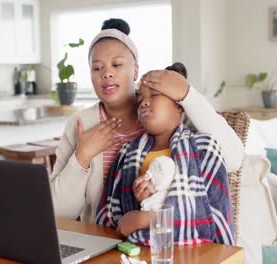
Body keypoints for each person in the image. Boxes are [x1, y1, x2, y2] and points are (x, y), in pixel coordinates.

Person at [50, 18, 243, 224]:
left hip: (165, 239)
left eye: (117, 64)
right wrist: (82, 156)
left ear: (135, 71)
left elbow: (233, 159)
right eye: (97, 68)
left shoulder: (167, 115)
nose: (106, 73)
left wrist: (188, 95)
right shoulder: (80, 125)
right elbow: (58, 213)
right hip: (102, 243)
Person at [95, 62, 234, 246]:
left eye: (154, 95)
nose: (144, 101)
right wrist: (143, 201)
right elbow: (110, 215)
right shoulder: (127, 153)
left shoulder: (204, 148)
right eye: (140, 99)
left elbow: (211, 220)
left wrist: (147, 220)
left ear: (180, 106)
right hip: (135, 252)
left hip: (192, 254)